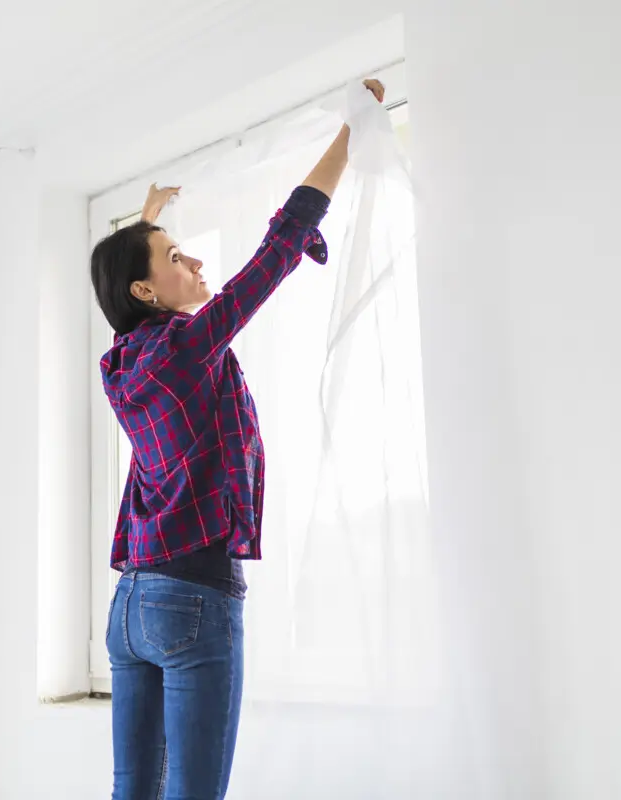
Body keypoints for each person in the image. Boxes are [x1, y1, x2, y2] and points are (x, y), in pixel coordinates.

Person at [89, 78, 386, 800]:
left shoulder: (123, 364)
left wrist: (147, 220)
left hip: (130, 609)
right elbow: (277, 252)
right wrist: (354, 133)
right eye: (176, 257)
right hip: (190, 599)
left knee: (136, 793)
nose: (194, 264)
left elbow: (122, 277)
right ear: (146, 292)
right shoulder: (189, 347)